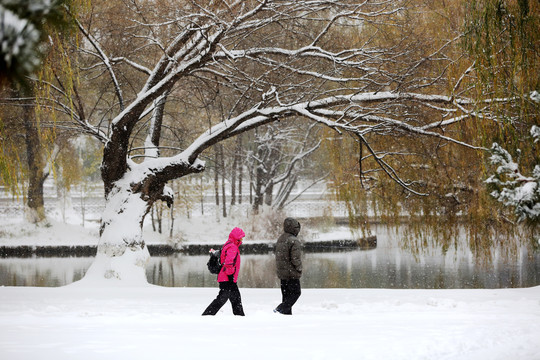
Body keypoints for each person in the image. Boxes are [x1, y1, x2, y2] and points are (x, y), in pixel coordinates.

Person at [202, 227, 246, 316]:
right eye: (241, 237)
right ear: (236, 237)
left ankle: (240, 315)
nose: (242, 239)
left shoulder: (228, 244)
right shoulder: (232, 247)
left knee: (235, 298)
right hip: (227, 278)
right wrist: (230, 277)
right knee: (222, 298)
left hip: (226, 277)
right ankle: (207, 315)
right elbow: (229, 263)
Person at [274, 217, 302, 315]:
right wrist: (299, 268)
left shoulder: (281, 238)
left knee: (286, 296)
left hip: (282, 274)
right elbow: (295, 259)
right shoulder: (294, 241)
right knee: (296, 293)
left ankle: (286, 316)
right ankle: (280, 309)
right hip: (291, 273)